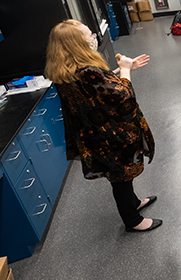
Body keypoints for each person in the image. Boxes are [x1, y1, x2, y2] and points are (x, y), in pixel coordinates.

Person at [44, 20, 161, 232]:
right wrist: (126, 71)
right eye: (88, 35)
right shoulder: (87, 70)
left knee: (120, 174)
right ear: (75, 43)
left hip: (94, 134)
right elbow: (124, 97)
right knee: (121, 177)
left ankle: (133, 203)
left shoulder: (68, 70)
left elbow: (97, 88)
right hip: (111, 134)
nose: (93, 38)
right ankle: (133, 221)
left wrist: (118, 72)